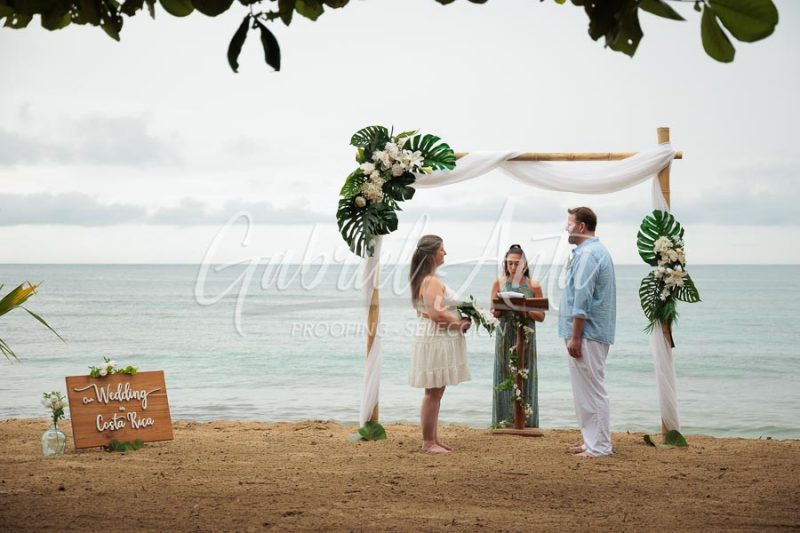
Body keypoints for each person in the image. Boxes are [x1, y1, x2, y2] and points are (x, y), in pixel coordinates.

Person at [559, 207, 616, 458]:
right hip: (591, 332)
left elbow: (582, 298)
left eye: (569, 223)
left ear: (581, 226)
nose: (566, 228)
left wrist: (575, 335)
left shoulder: (588, 254)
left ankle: (600, 446)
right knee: (584, 390)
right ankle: (590, 440)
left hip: (588, 333)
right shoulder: (591, 251)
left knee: (592, 389)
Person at [408, 234, 472, 454]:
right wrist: (460, 324)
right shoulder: (431, 281)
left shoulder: (424, 278)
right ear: (432, 253)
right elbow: (436, 314)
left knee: (436, 390)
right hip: (435, 336)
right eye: (442, 249)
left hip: (433, 335)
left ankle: (433, 438)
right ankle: (428, 442)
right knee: (433, 391)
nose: (445, 252)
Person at [489, 244, 545, 428]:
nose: (513, 268)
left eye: (517, 264)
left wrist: (524, 308)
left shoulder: (533, 285)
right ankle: (503, 422)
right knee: (504, 374)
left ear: (525, 265)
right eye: (509, 264)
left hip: (526, 337)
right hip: (505, 336)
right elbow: (493, 313)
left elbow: (541, 316)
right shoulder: (498, 283)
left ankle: (526, 422)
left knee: (525, 374)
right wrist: (497, 310)